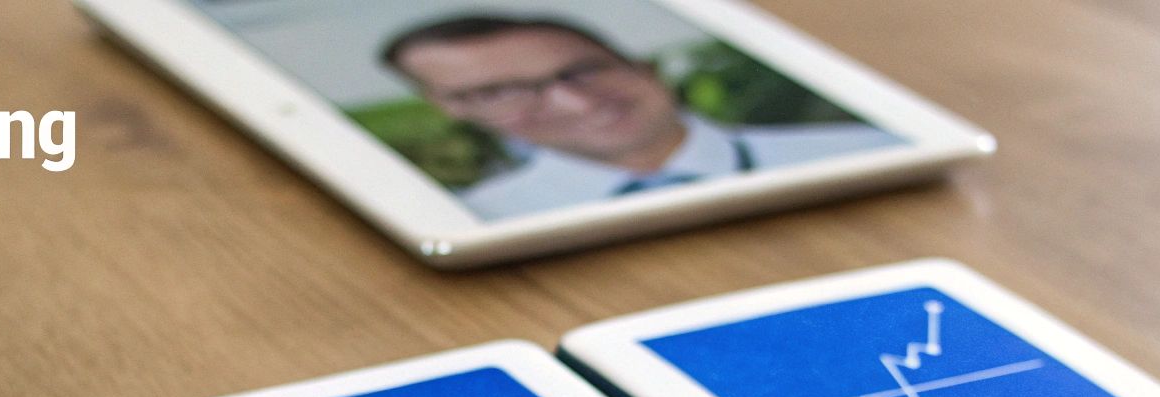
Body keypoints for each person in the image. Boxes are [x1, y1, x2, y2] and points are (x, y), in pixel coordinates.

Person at [380, 15, 900, 219]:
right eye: (501, 92)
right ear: (452, 109)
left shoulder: (867, 150)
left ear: (643, 67)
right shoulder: (479, 216)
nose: (575, 103)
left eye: (583, 71)